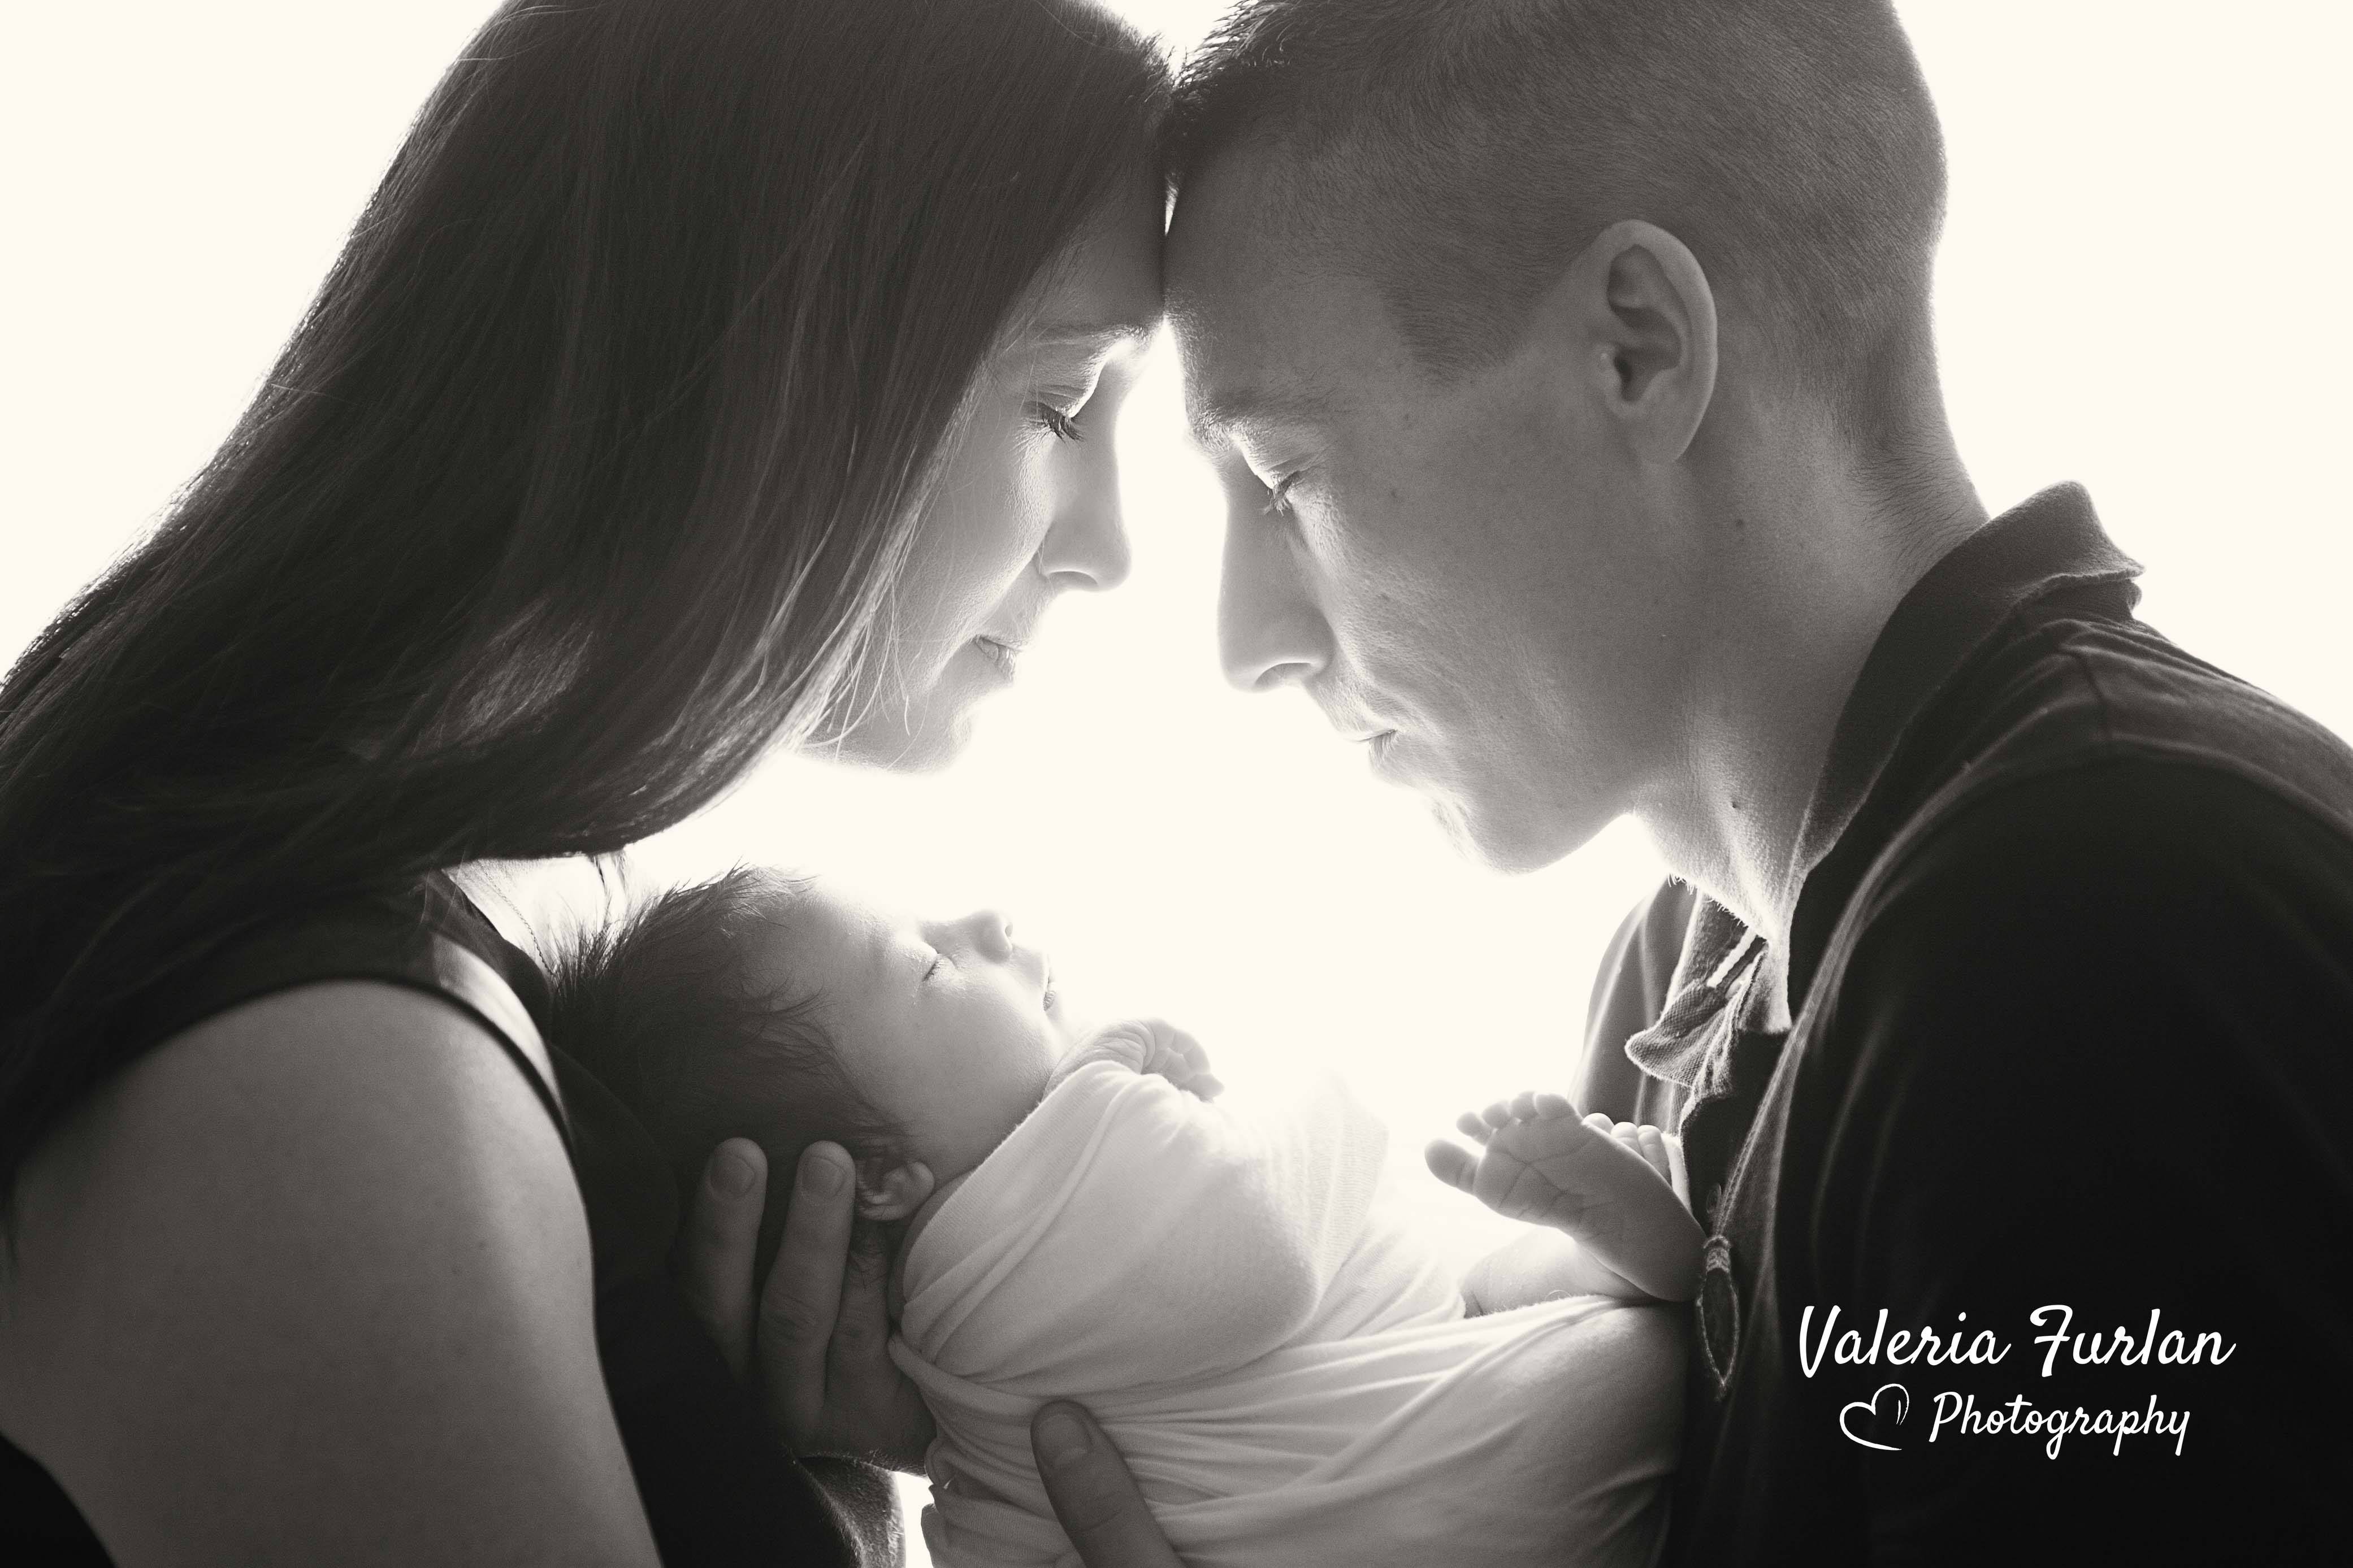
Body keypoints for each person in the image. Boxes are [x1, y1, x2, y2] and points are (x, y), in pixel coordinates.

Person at [727, 0, 2353, 1562]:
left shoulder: (2095, 937)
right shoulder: (1692, 965)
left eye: (1284, 479)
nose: (1246, 644)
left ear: (1634, 349)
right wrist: (1039, 1416)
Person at [0, 0, 1168, 1562]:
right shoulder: (332, 1084)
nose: (1110, 548)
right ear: (782, 357)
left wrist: (855, 1458)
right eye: (1062, 404)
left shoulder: (463, 925)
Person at [548, 866, 1693, 1566]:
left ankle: (1623, 1248)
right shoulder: (1045, 1179)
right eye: (931, 966)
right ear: (883, 1175)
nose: (986, 916)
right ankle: (1642, 1256)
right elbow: (1262, 1233)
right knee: (1610, 1340)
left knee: (1465, 1278)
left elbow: (993, 1530)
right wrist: (1305, 1091)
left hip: (1363, 1486)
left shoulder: (946, 1365)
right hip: (1478, 1494)